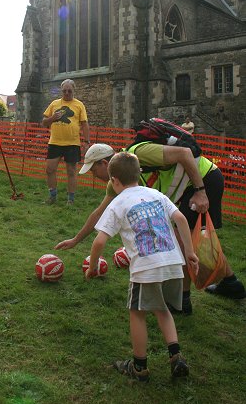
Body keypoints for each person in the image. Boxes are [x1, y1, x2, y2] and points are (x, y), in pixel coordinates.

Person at [55, 141, 245, 312]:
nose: (94, 176)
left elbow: (185, 153)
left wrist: (200, 191)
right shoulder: (117, 183)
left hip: (205, 179)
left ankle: (182, 301)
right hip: (190, 188)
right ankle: (231, 283)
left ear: (104, 164)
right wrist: (75, 240)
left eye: (93, 170)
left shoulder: (139, 153)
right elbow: (99, 214)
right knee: (192, 239)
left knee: (182, 239)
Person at [85, 152, 199, 382]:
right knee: (163, 309)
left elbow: (99, 241)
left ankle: (139, 367)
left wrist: (93, 267)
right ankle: (176, 357)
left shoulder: (118, 203)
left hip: (146, 268)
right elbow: (182, 219)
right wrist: (189, 252)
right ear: (139, 174)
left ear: (114, 180)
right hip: (173, 263)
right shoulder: (156, 194)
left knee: (137, 313)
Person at [42, 79, 90, 205]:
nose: (67, 93)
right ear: (61, 91)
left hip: (72, 143)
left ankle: (71, 200)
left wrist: (87, 141)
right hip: (55, 142)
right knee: (50, 170)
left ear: (74, 90)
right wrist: (53, 118)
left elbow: (84, 124)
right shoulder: (54, 104)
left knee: (71, 172)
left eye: (69, 91)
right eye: (64, 91)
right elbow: (44, 122)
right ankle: (52, 197)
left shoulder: (79, 105)